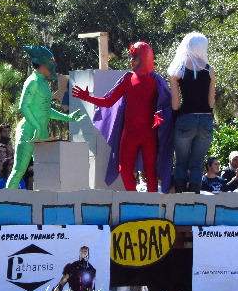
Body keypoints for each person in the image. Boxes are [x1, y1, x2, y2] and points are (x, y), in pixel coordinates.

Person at [72, 42, 173, 192]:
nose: (131, 61)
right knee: (124, 169)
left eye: (135, 58)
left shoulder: (156, 81)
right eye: (131, 58)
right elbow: (108, 102)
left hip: (149, 135)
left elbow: (167, 105)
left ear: (145, 59)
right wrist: (88, 98)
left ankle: (152, 205)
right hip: (130, 133)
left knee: (151, 171)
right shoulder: (127, 79)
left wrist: (161, 117)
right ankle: (132, 199)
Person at [6, 45, 85, 189]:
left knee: (45, 170)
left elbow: (46, 110)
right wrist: (36, 126)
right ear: (42, 63)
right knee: (19, 170)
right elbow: (23, 107)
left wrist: (69, 118)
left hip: (41, 133)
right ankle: (5, 202)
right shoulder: (32, 81)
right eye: (51, 60)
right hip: (28, 132)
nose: (53, 64)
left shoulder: (43, 82)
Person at [167, 32, 216, 193]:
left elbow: (176, 103)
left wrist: (174, 118)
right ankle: (194, 197)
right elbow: (211, 102)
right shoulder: (210, 70)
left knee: (181, 162)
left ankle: (180, 195)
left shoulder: (177, 70)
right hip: (206, 119)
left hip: (185, 118)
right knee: (197, 162)